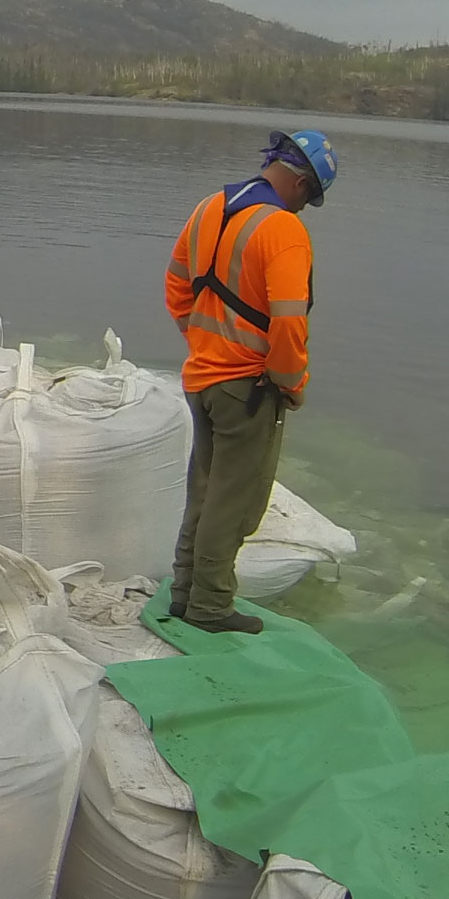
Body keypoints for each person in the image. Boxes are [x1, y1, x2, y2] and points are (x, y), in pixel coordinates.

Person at [161, 127, 338, 634]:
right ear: (303, 186)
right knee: (235, 499)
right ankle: (211, 607)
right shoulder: (284, 231)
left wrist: (201, 341)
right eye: (310, 200)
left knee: (205, 488)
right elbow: (288, 321)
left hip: (202, 377)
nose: (305, 210)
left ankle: (182, 592)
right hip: (248, 386)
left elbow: (176, 284)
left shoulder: (210, 206)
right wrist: (290, 382)